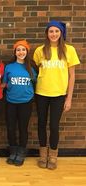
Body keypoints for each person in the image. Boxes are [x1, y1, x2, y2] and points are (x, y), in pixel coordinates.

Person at [33, 20, 80, 170]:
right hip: (41, 93)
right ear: (47, 33)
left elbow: (72, 75)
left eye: (56, 31)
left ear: (61, 33)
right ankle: (43, 155)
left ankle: (53, 155)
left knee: (53, 126)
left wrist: (69, 98)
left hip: (59, 94)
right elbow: (35, 70)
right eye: (51, 31)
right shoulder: (40, 50)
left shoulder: (69, 50)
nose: (53, 34)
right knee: (41, 124)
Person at [3, 40, 37, 166]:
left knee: (23, 128)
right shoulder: (9, 67)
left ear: (27, 51)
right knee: (11, 128)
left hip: (25, 103)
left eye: (23, 49)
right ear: (15, 52)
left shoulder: (32, 67)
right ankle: (13, 151)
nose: (21, 52)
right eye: (18, 50)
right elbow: (5, 84)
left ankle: (21, 152)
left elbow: (36, 83)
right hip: (11, 102)